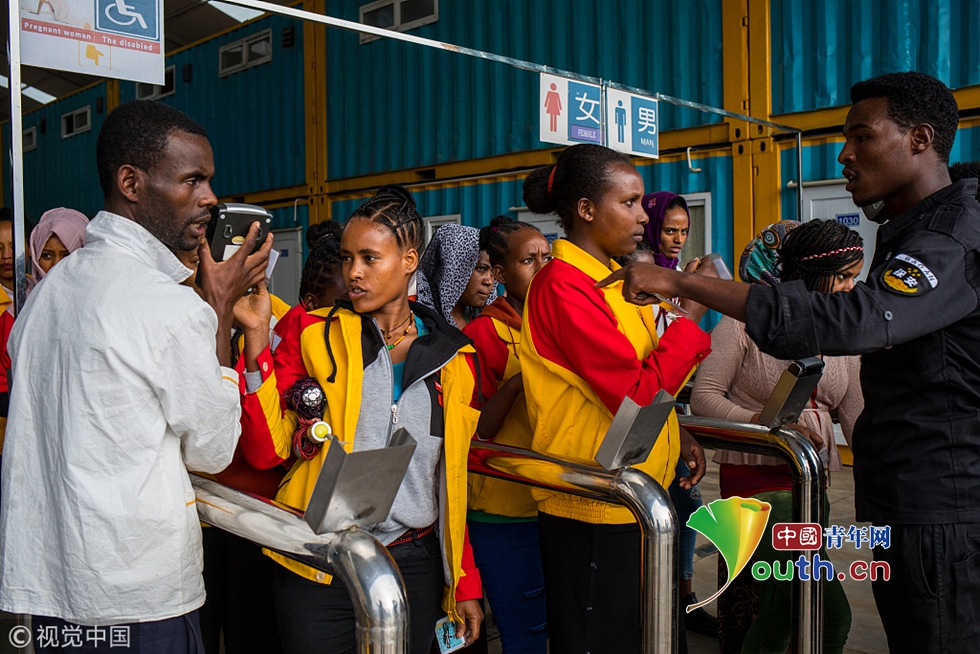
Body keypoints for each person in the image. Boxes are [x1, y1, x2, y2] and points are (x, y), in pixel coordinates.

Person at [598, 72, 980, 654]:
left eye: (862, 137)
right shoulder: (912, 236)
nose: (844, 154)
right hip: (862, 494)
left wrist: (682, 284)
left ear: (920, 139)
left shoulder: (946, 241)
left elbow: (859, 325)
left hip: (938, 506)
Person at [0, 100, 272, 653]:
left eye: (208, 181)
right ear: (131, 182)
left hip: (47, 591)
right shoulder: (168, 307)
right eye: (192, 179)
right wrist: (219, 311)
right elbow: (213, 450)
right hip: (139, 601)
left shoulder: (49, 293)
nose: (210, 198)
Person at [235, 186, 484, 654]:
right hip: (318, 558)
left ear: (409, 261)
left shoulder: (454, 359)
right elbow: (267, 451)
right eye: (348, 258)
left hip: (413, 562)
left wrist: (463, 579)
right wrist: (255, 343)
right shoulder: (312, 332)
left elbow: (450, 480)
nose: (354, 272)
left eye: (370, 258)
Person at [519, 143, 713, 654]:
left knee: (654, 635)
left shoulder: (617, 282)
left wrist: (675, 430)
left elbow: (645, 371)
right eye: (628, 203)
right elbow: (637, 394)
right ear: (586, 209)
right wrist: (692, 315)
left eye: (641, 202)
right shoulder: (562, 286)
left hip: (637, 494)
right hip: (594, 506)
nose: (642, 216)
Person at [691, 219, 864, 654]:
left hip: (811, 486)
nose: (851, 288)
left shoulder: (842, 331)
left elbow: (856, 415)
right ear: (808, 274)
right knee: (828, 613)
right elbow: (704, 398)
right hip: (756, 489)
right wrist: (767, 424)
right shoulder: (741, 325)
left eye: (854, 278)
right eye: (843, 277)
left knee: (778, 610)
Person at [463, 215, 552, 653]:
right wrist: (516, 384)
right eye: (528, 260)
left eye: (547, 258)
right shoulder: (484, 333)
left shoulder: (553, 326)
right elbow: (476, 429)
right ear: (500, 273)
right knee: (525, 630)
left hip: (551, 498)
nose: (542, 268)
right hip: (502, 510)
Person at [417, 222, 497, 329]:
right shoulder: (420, 325)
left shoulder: (482, 324)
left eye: (493, 272)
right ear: (453, 269)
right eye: (481, 268)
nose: (489, 281)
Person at [28, 207, 89, 292]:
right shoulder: (24, 298)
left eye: (66, 256)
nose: (56, 264)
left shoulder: (98, 296)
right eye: (47, 255)